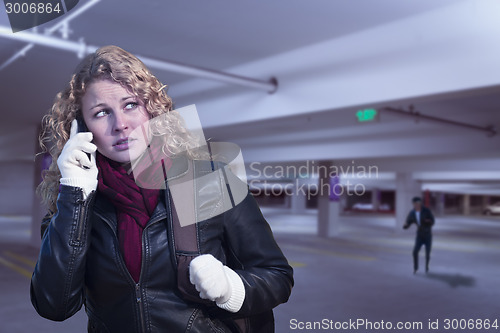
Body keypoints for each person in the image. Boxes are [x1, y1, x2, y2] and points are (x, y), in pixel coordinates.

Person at [31, 45, 293, 333]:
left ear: (151, 109)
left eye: (130, 105)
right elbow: (53, 306)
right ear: (80, 128)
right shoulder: (73, 203)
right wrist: (75, 194)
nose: (120, 124)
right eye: (101, 112)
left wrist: (231, 289)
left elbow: (277, 276)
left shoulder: (210, 181)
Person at [403, 196, 435, 274]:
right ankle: (415, 268)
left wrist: (428, 221)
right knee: (415, 252)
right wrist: (406, 226)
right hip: (419, 235)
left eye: (418, 203)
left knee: (427, 253)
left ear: (420, 203)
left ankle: (427, 267)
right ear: (413, 204)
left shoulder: (426, 211)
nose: (416, 205)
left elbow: (433, 221)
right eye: (415, 203)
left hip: (427, 235)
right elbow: (408, 221)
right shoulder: (412, 212)